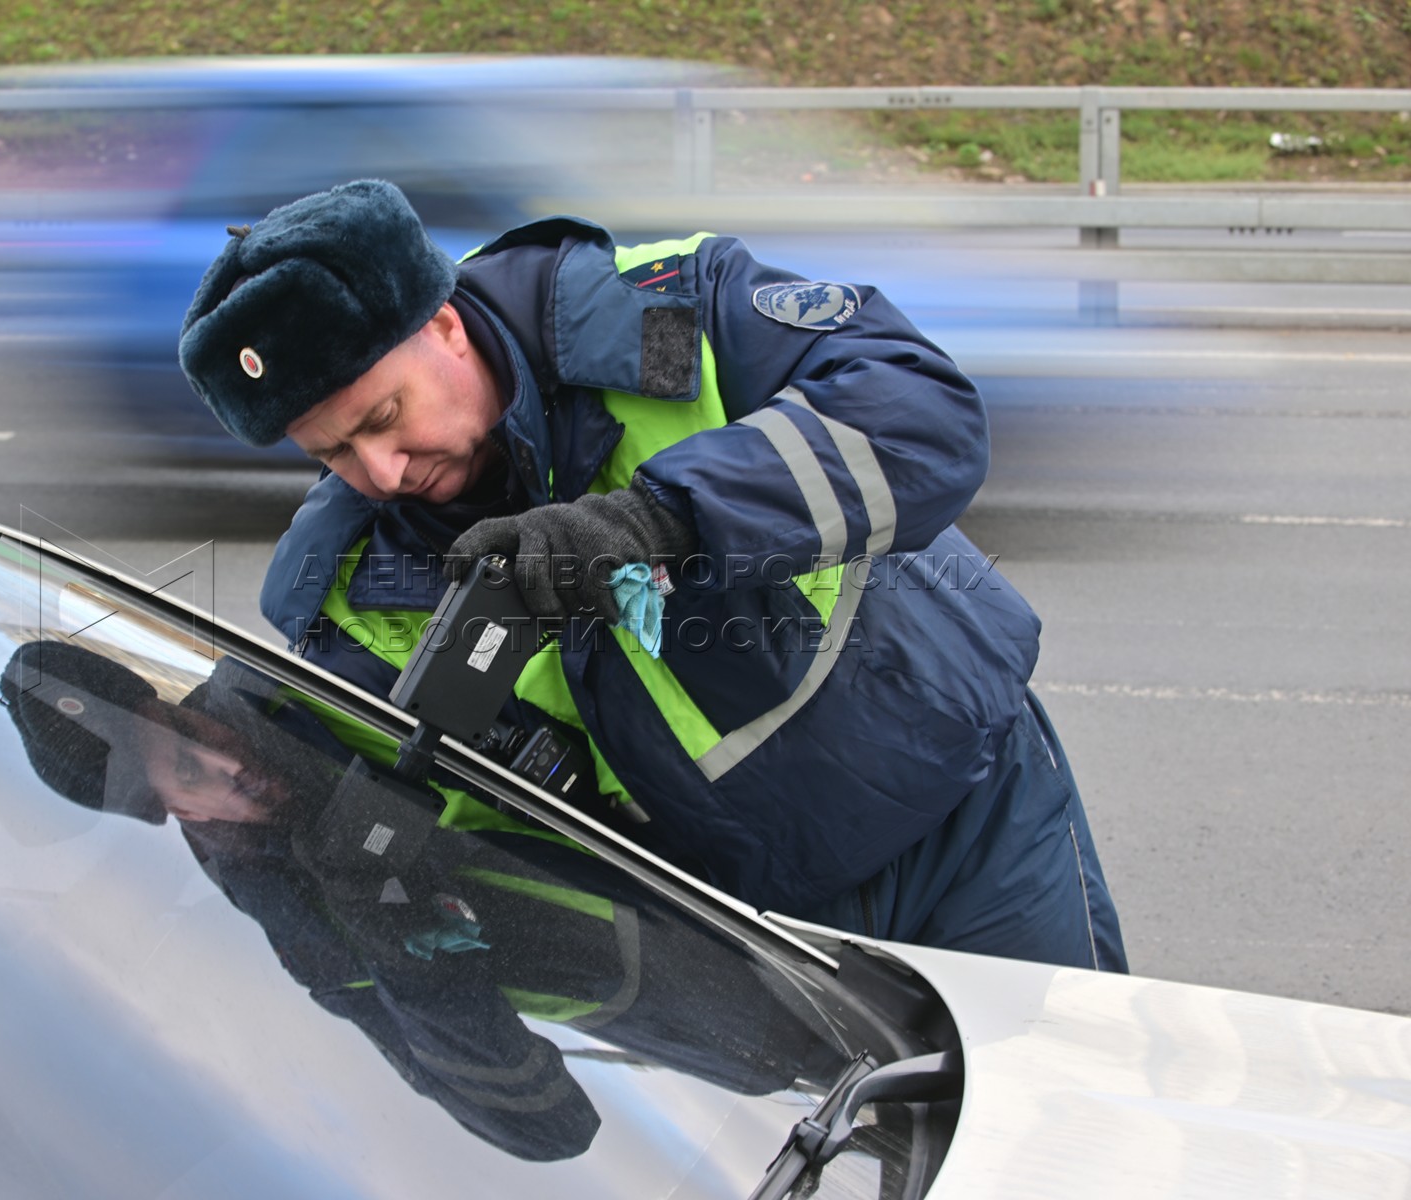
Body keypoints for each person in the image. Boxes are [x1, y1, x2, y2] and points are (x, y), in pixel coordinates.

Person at [175, 179, 1126, 972]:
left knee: (1070, 1106)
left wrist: (661, 519)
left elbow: (923, 415)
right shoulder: (348, 593)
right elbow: (463, 823)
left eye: (384, 417)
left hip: (970, 821)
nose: (380, 473)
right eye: (333, 454)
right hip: (775, 940)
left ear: (447, 327)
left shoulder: (655, 316)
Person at [0, 639, 844, 1162]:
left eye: (185, 730)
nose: (224, 763)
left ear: (160, 696)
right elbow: (547, 1130)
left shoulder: (295, 681)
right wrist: (410, 959)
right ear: (173, 813)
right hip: (746, 1038)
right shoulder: (296, 927)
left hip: (771, 855)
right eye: (187, 772)